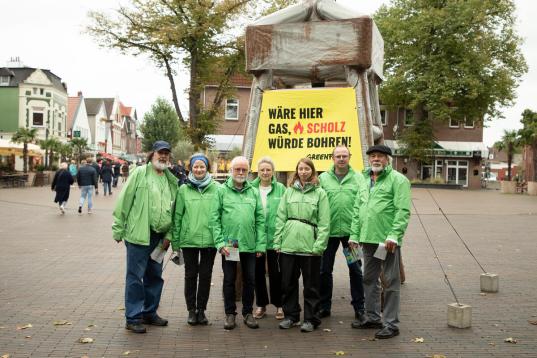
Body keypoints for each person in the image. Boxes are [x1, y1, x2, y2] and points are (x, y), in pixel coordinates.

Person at [112, 140, 178, 334]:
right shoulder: (140, 174)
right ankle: (133, 317)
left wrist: (170, 235)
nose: (163, 156)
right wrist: (118, 228)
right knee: (135, 277)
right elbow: (124, 201)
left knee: (155, 276)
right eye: (160, 153)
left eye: (166, 153)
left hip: (160, 238)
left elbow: (174, 211)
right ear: (153, 154)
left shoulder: (170, 179)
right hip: (139, 236)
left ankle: (149, 312)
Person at [349, 144, 410, 339]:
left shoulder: (398, 180)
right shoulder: (364, 179)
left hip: (386, 241)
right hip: (367, 239)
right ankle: (373, 317)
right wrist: (354, 235)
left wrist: (394, 235)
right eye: (373, 156)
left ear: (388, 160)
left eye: (380, 156)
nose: (376, 159)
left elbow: (402, 211)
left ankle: (391, 324)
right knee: (368, 278)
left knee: (391, 281)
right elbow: (358, 210)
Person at [273, 158, 330, 333]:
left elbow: (324, 222)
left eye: (307, 169)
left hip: (310, 247)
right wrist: (278, 241)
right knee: (288, 283)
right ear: (296, 171)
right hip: (289, 245)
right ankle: (292, 316)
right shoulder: (289, 192)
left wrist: (319, 245)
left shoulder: (320, 193)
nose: (304, 171)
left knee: (311, 285)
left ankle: (311, 319)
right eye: (301, 168)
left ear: (313, 171)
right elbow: (281, 217)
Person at [211, 156, 266, 330]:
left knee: (250, 280)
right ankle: (230, 314)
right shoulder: (221, 191)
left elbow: (260, 220)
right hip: (231, 243)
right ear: (231, 170)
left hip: (250, 244)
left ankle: (248, 313)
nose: (241, 172)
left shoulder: (253, 192)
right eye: (238, 169)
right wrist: (220, 243)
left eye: (244, 170)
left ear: (248, 172)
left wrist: (260, 245)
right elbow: (214, 219)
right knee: (229, 280)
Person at [318, 146, 365, 325]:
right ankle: (324, 307)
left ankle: (359, 308)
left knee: (355, 270)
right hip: (328, 234)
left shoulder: (358, 179)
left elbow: (362, 206)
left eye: (344, 156)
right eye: (338, 156)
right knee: (324, 270)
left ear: (349, 157)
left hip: (350, 235)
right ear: (332, 158)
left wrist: (357, 233)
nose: (341, 159)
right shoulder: (323, 179)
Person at [171, 153, 219, 326]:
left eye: (202, 166)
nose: (199, 169)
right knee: (190, 276)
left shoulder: (217, 188)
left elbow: (221, 215)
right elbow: (177, 216)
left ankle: (202, 310)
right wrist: (176, 243)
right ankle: (191, 310)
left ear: (207, 168)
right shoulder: (183, 189)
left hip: (210, 240)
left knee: (205, 276)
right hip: (189, 240)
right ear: (191, 168)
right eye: (196, 166)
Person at [251, 156, 286, 320]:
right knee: (257, 273)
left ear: (273, 172)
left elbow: (286, 213)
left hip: (275, 239)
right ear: (258, 172)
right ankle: (261, 305)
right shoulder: (251, 188)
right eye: (262, 170)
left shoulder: (281, 189)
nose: (265, 172)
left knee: (276, 273)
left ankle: (280, 305)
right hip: (256, 239)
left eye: (268, 170)